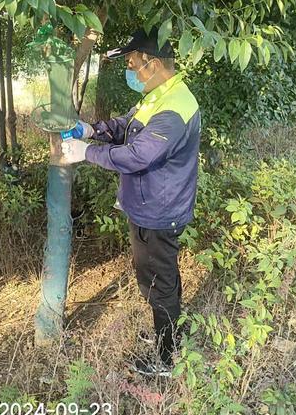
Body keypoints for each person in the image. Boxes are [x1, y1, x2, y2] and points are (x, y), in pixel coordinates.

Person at [61, 27, 201, 377]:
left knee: (158, 281)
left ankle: (166, 359)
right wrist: (92, 130)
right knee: (162, 277)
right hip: (152, 204)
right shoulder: (158, 95)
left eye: (131, 63)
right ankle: (169, 334)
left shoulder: (174, 107)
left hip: (159, 210)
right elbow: (129, 124)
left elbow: (139, 155)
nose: (130, 71)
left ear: (151, 64)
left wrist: (86, 152)